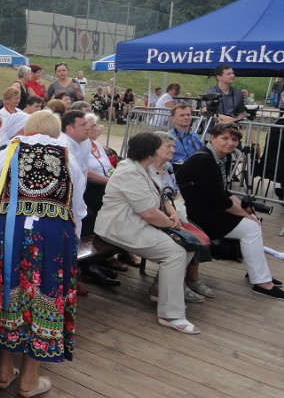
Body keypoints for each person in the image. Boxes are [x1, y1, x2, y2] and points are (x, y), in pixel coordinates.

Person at [0, 110, 84, 396]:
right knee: (43, 297)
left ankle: (2, 372)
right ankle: (28, 380)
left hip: (9, 231)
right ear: (56, 132)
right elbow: (78, 210)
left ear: (27, 128)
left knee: (10, 293)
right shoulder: (67, 157)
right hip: (50, 237)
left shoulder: (7, 153)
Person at [96, 132, 201, 332]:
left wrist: (172, 214)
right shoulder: (129, 172)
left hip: (137, 224)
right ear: (149, 152)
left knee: (186, 247)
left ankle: (161, 292)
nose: (168, 150)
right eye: (160, 147)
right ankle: (171, 315)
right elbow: (149, 213)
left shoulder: (146, 169)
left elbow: (161, 198)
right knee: (176, 252)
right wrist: (173, 225)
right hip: (120, 227)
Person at [177, 124, 284, 300]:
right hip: (195, 214)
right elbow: (220, 200)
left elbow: (223, 192)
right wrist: (244, 214)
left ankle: (257, 274)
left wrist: (243, 207)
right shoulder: (204, 160)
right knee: (251, 227)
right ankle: (261, 282)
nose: (230, 143)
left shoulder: (220, 158)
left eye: (234, 139)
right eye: (225, 138)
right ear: (213, 138)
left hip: (206, 208)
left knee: (252, 223)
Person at [150, 131, 212, 303]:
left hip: (172, 210)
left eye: (174, 146)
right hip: (154, 214)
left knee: (197, 232)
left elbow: (176, 193)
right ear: (155, 148)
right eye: (168, 146)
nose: (172, 150)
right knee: (184, 239)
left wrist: (180, 211)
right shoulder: (146, 168)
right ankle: (174, 284)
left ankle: (192, 278)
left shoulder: (168, 166)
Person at [168, 104, 203, 168]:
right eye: (182, 115)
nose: (186, 117)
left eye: (188, 115)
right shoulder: (168, 138)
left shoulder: (195, 136)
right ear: (173, 118)